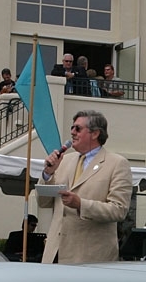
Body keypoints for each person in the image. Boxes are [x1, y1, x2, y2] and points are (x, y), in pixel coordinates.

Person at [38, 110, 133, 264]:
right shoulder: (64, 161)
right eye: (72, 128)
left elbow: (119, 210)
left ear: (95, 133)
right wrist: (48, 174)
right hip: (55, 255)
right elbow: (43, 203)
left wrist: (81, 204)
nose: (72, 132)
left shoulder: (117, 164)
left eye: (78, 128)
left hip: (90, 257)